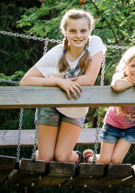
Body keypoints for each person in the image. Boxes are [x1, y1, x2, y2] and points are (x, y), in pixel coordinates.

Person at [20, 9, 106, 164]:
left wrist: (63, 80)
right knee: (45, 159)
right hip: (51, 105)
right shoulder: (57, 53)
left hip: (75, 107)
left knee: (62, 157)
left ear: (89, 31)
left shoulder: (95, 43)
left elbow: (89, 79)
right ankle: (40, 153)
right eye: (72, 31)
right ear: (65, 32)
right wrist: (57, 81)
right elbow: (25, 81)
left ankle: (82, 157)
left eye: (83, 31)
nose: (78, 35)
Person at [82, 46, 135, 164]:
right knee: (105, 160)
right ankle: (90, 157)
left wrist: (132, 81)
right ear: (126, 67)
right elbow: (117, 86)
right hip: (113, 124)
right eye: (133, 66)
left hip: (132, 127)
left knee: (116, 160)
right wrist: (134, 81)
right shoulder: (120, 75)